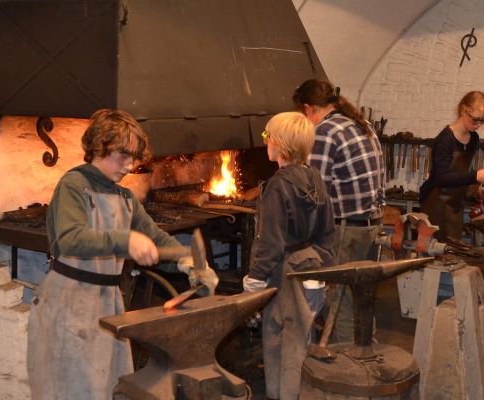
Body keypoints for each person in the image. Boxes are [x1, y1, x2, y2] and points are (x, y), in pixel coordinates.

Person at [27, 109, 219, 400]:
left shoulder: (125, 198)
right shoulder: (73, 185)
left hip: (108, 306)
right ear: (99, 146)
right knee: (70, 391)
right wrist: (125, 241)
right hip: (69, 305)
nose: (130, 165)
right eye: (123, 155)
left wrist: (188, 261)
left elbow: (156, 238)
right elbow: (70, 239)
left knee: (108, 389)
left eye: (134, 157)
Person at [242, 112, 335, 400]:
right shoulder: (314, 177)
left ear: (280, 144)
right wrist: (323, 269)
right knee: (302, 334)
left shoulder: (278, 185)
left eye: (266, 136)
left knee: (281, 337)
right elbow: (327, 230)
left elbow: (270, 240)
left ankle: (284, 394)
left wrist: (255, 278)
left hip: (285, 269)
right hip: (310, 263)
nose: (265, 142)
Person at [293, 79, 385, 343]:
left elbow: (316, 191)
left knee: (340, 303)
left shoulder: (324, 131)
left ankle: (348, 362)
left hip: (346, 231)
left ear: (308, 108)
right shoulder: (362, 123)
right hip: (372, 225)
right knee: (362, 298)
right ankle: (368, 352)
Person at [419, 91, 484, 242]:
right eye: (475, 120)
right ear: (463, 110)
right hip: (436, 204)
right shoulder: (445, 140)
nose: (478, 125)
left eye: (483, 121)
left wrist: (472, 189)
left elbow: (460, 173)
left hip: (455, 204)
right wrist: (474, 176)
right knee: (436, 250)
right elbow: (441, 178)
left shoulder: (473, 138)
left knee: (453, 249)